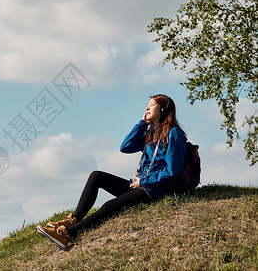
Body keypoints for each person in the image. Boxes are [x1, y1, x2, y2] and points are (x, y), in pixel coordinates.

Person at [36, 94, 187, 250]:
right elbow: (125, 146)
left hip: (157, 190)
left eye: (152, 104)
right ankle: (73, 219)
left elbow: (172, 170)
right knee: (97, 176)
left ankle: (68, 234)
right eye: (147, 104)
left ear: (163, 109)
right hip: (141, 186)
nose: (147, 107)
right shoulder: (152, 134)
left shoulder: (173, 133)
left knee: (110, 205)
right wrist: (142, 124)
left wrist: (143, 181)